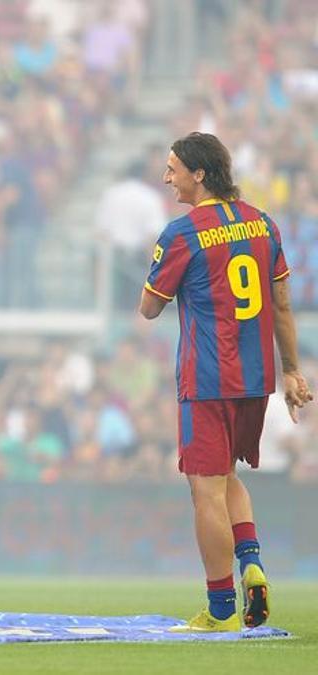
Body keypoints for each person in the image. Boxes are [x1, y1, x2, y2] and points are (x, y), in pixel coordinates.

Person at [141, 132, 312, 632]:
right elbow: (281, 305)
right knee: (227, 477)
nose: (166, 177)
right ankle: (251, 560)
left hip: (208, 375)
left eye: (173, 168)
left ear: (199, 173)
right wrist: (293, 370)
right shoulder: (264, 224)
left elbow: (149, 307)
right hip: (256, 378)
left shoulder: (183, 232)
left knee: (204, 490)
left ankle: (219, 610)